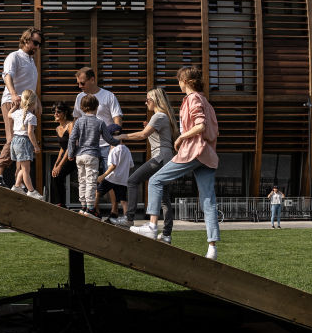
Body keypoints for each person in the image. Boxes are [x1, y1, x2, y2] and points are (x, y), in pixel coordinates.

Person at [131, 66, 221, 259]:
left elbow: (200, 126)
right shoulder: (206, 101)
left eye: (179, 80)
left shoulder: (193, 99)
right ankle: (212, 248)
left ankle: (153, 227)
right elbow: (212, 130)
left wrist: (180, 138)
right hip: (207, 155)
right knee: (208, 201)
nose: (178, 84)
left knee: (155, 181)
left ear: (186, 82)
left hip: (194, 151)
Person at [122, 87, 178, 242]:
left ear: (155, 100)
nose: (145, 102)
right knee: (164, 198)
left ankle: (129, 218)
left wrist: (121, 136)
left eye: (148, 99)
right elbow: (158, 138)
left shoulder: (159, 116)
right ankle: (166, 234)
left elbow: (142, 135)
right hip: (166, 157)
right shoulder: (163, 117)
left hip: (160, 157)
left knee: (132, 180)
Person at [0, 27, 43, 187]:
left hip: (27, 105)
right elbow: (7, 75)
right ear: (26, 39)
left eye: (39, 44)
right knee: (14, 139)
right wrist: (13, 94)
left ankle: (17, 184)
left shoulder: (31, 61)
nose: (37, 47)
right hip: (13, 103)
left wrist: (37, 101)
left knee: (24, 142)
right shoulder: (15, 56)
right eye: (35, 43)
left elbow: (30, 86)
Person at [66, 94, 121, 216]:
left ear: (82, 107)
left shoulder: (79, 121)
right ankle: (91, 208)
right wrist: (118, 142)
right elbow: (108, 138)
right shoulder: (100, 122)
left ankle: (83, 206)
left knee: (82, 180)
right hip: (92, 155)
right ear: (96, 107)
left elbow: (72, 139)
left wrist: (71, 153)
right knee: (91, 181)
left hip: (79, 155)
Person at [73, 67, 122, 166]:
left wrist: (113, 143)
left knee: (107, 177)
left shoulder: (108, 96)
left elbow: (117, 121)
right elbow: (76, 120)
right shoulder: (79, 97)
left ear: (92, 80)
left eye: (82, 83)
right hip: (87, 147)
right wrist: (75, 143)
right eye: (78, 83)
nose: (79, 86)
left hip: (106, 145)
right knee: (89, 179)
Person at [9, 89, 44, 200]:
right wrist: (36, 146)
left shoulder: (17, 113)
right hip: (23, 142)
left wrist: (15, 106)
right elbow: (30, 133)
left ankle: (17, 186)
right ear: (33, 104)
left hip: (15, 141)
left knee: (23, 168)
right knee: (26, 170)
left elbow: (9, 114)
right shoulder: (31, 117)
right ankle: (31, 191)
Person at [94, 125, 132, 223]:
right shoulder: (127, 150)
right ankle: (127, 219)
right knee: (123, 200)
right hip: (123, 180)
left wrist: (102, 176)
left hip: (112, 178)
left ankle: (94, 211)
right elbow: (131, 165)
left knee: (98, 192)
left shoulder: (114, 149)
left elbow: (113, 165)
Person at [49, 102, 76, 206]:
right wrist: (56, 164)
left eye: (58, 112)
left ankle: (60, 204)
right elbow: (62, 147)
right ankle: (57, 203)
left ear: (65, 113)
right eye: (54, 112)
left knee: (58, 175)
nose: (55, 114)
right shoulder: (57, 128)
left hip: (73, 155)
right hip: (65, 154)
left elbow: (70, 146)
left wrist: (60, 166)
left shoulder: (70, 125)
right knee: (54, 175)